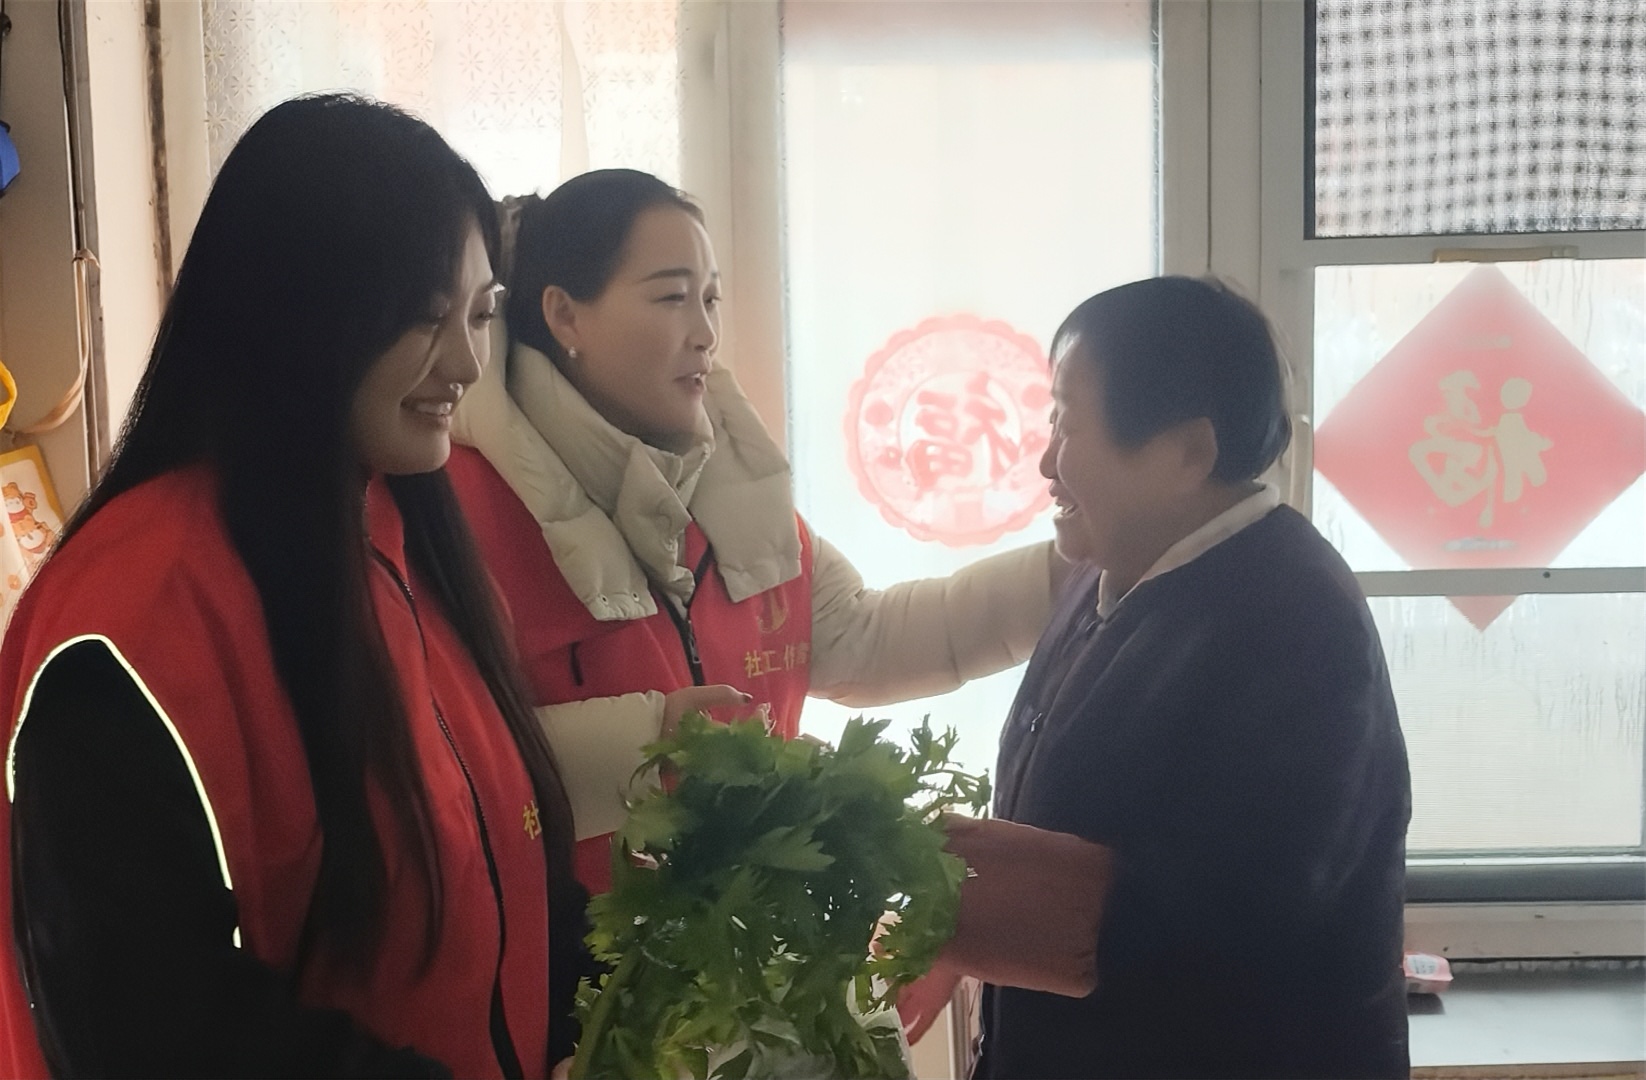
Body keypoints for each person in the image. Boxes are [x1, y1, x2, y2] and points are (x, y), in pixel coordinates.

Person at [0, 95, 588, 1079]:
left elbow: (501, 872)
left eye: (481, 313)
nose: (466, 362)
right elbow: (149, 1029)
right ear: (299, 311)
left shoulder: (402, 529)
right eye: (425, 315)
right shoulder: (135, 613)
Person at [446, 169, 1065, 892]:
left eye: (710, 299)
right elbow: (429, 754)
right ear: (564, 316)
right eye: (672, 298)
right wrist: (646, 742)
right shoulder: (456, 507)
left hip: (727, 944)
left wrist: (1074, 576)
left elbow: (861, 638)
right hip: (555, 942)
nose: (705, 334)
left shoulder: (730, 486)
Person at [902, 276, 1411, 1078]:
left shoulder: (1293, 617)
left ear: (1188, 453)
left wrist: (955, 906)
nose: (1045, 461)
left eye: (1068, 424)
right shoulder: (1106, 573)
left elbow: (1230, 922)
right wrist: (958, 934)